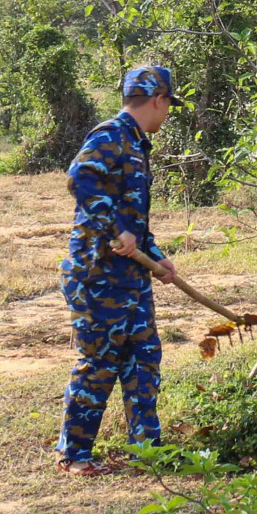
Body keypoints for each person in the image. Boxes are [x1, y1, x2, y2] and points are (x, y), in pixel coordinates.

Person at [58, 65, 179, 476]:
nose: (167, 115)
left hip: (133, 276)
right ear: (158, 100)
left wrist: (155, 255)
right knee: (99, 363)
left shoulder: (137, 144)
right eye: (167, 106)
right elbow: (80, 181)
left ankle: (147, 449)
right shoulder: (110, 134)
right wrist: (114, 231)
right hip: (97, 275)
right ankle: (74, 454)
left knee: (144, 359)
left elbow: (134, 218)